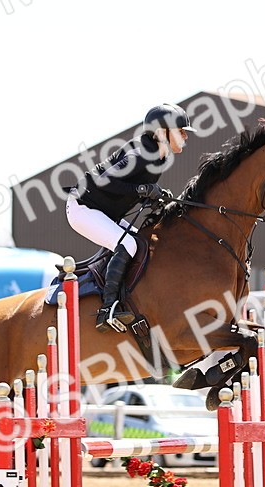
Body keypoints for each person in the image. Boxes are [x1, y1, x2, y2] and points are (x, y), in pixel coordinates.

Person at [67, 102, 194, 331]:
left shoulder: (158, 156)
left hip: (104, 212)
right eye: (180, 131)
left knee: (142, 242)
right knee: (128, 244)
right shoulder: (141, 154)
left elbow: (129, 187)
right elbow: (102, 180)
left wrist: (153, 196)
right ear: (162, 132)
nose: (185, 136)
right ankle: (107, 310)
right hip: (82, 208)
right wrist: (141, 190)